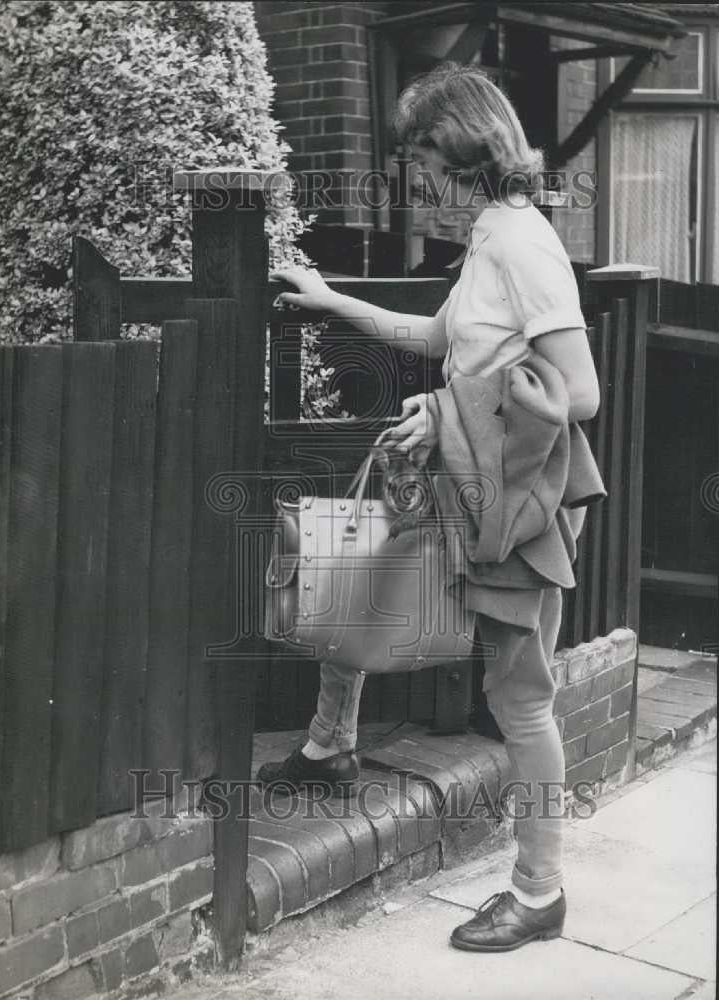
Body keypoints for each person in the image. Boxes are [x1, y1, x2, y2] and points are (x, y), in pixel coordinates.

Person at [260, 62, 601, 953]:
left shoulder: (523, 246)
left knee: (520, 700)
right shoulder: (490, 238)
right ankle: (331, 745)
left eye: (424, 171)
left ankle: (539, 892)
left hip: (523, 503)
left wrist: (446, 411)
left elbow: (581, 391)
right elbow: (438, 339)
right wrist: (332, 299)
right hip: (478, 484)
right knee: (370, 567)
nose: (416, 189)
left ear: (466, 158)